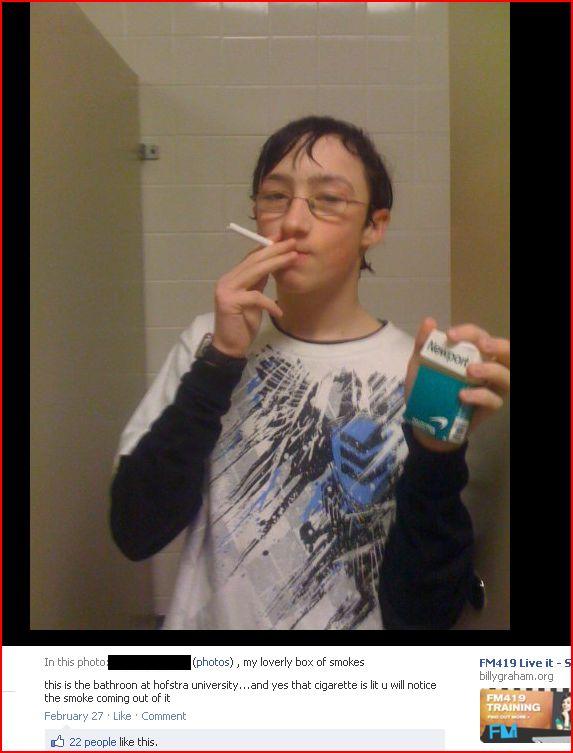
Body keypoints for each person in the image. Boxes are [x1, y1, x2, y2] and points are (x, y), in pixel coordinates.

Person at [110, 115, 510, 630]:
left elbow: (425, 616)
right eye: (275, 197)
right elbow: (135, 532)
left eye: (328, 199)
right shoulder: (207, 345)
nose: (293, 222)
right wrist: (220, 361)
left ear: (374, 227)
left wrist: (436, 452)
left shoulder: (416, 376)